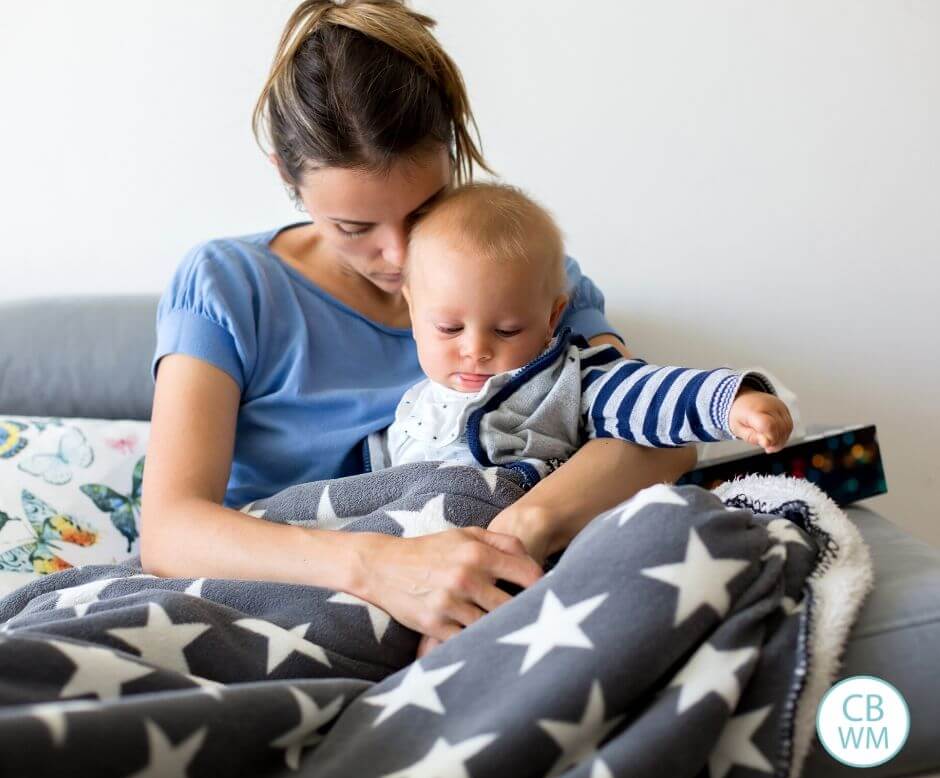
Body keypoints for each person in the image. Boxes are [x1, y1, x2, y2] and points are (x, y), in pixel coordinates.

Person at [140, 0, 697, 652]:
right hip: (289, 601)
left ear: (455, 149)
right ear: (285, 175)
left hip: (492, 579)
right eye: (354, 228)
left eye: (425, 209)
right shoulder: (224, 286)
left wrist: (510, 537)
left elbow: (662, 439)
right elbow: (170, 529)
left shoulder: (525, 281)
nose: (400, 258)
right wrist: (382, 567)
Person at [368, 182, 793, 481]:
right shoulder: (410, 408)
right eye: (449, 328)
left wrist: (730, 403)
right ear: (413, 309)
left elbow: (645, 392)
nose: (476, 349)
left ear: (553, 317)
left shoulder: (567, 382)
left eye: (508, 330)